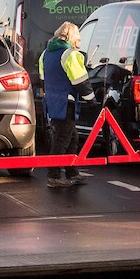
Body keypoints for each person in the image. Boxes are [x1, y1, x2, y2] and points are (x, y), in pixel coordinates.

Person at [39, 21, 94, 187]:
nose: (80, 39)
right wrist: (91, 100)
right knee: (62, 139)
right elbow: (80, 82)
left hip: (52, 102)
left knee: (71, 137)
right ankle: (53, 176)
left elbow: (43, 80)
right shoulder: (70, 54)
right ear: (71, 36)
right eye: (78, 36)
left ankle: (72, 173)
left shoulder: (46, 54)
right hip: (66, 102)